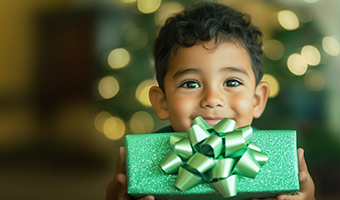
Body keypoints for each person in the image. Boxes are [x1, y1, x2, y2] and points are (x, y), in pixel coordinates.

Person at [106, 2, 315, 200]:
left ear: (257, 100)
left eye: (232, 82)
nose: (212, 100)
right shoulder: (147, 162)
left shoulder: (271, 160)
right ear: (162, 102)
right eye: (190, 84)